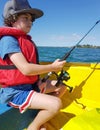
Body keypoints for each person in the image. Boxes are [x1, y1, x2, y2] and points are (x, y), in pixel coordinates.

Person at [0, 0, 67, 130]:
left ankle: (41, 112)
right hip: (15, 92)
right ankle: (34, 126)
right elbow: (26, 69)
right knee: (56, 104)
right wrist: (52, 67)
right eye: (25, 18)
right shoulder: (8, 40)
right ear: (12, 19)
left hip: (30, 86)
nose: (30, 22)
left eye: (32, 20)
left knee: (61, 87)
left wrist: (39, 81)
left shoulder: (24, 40)